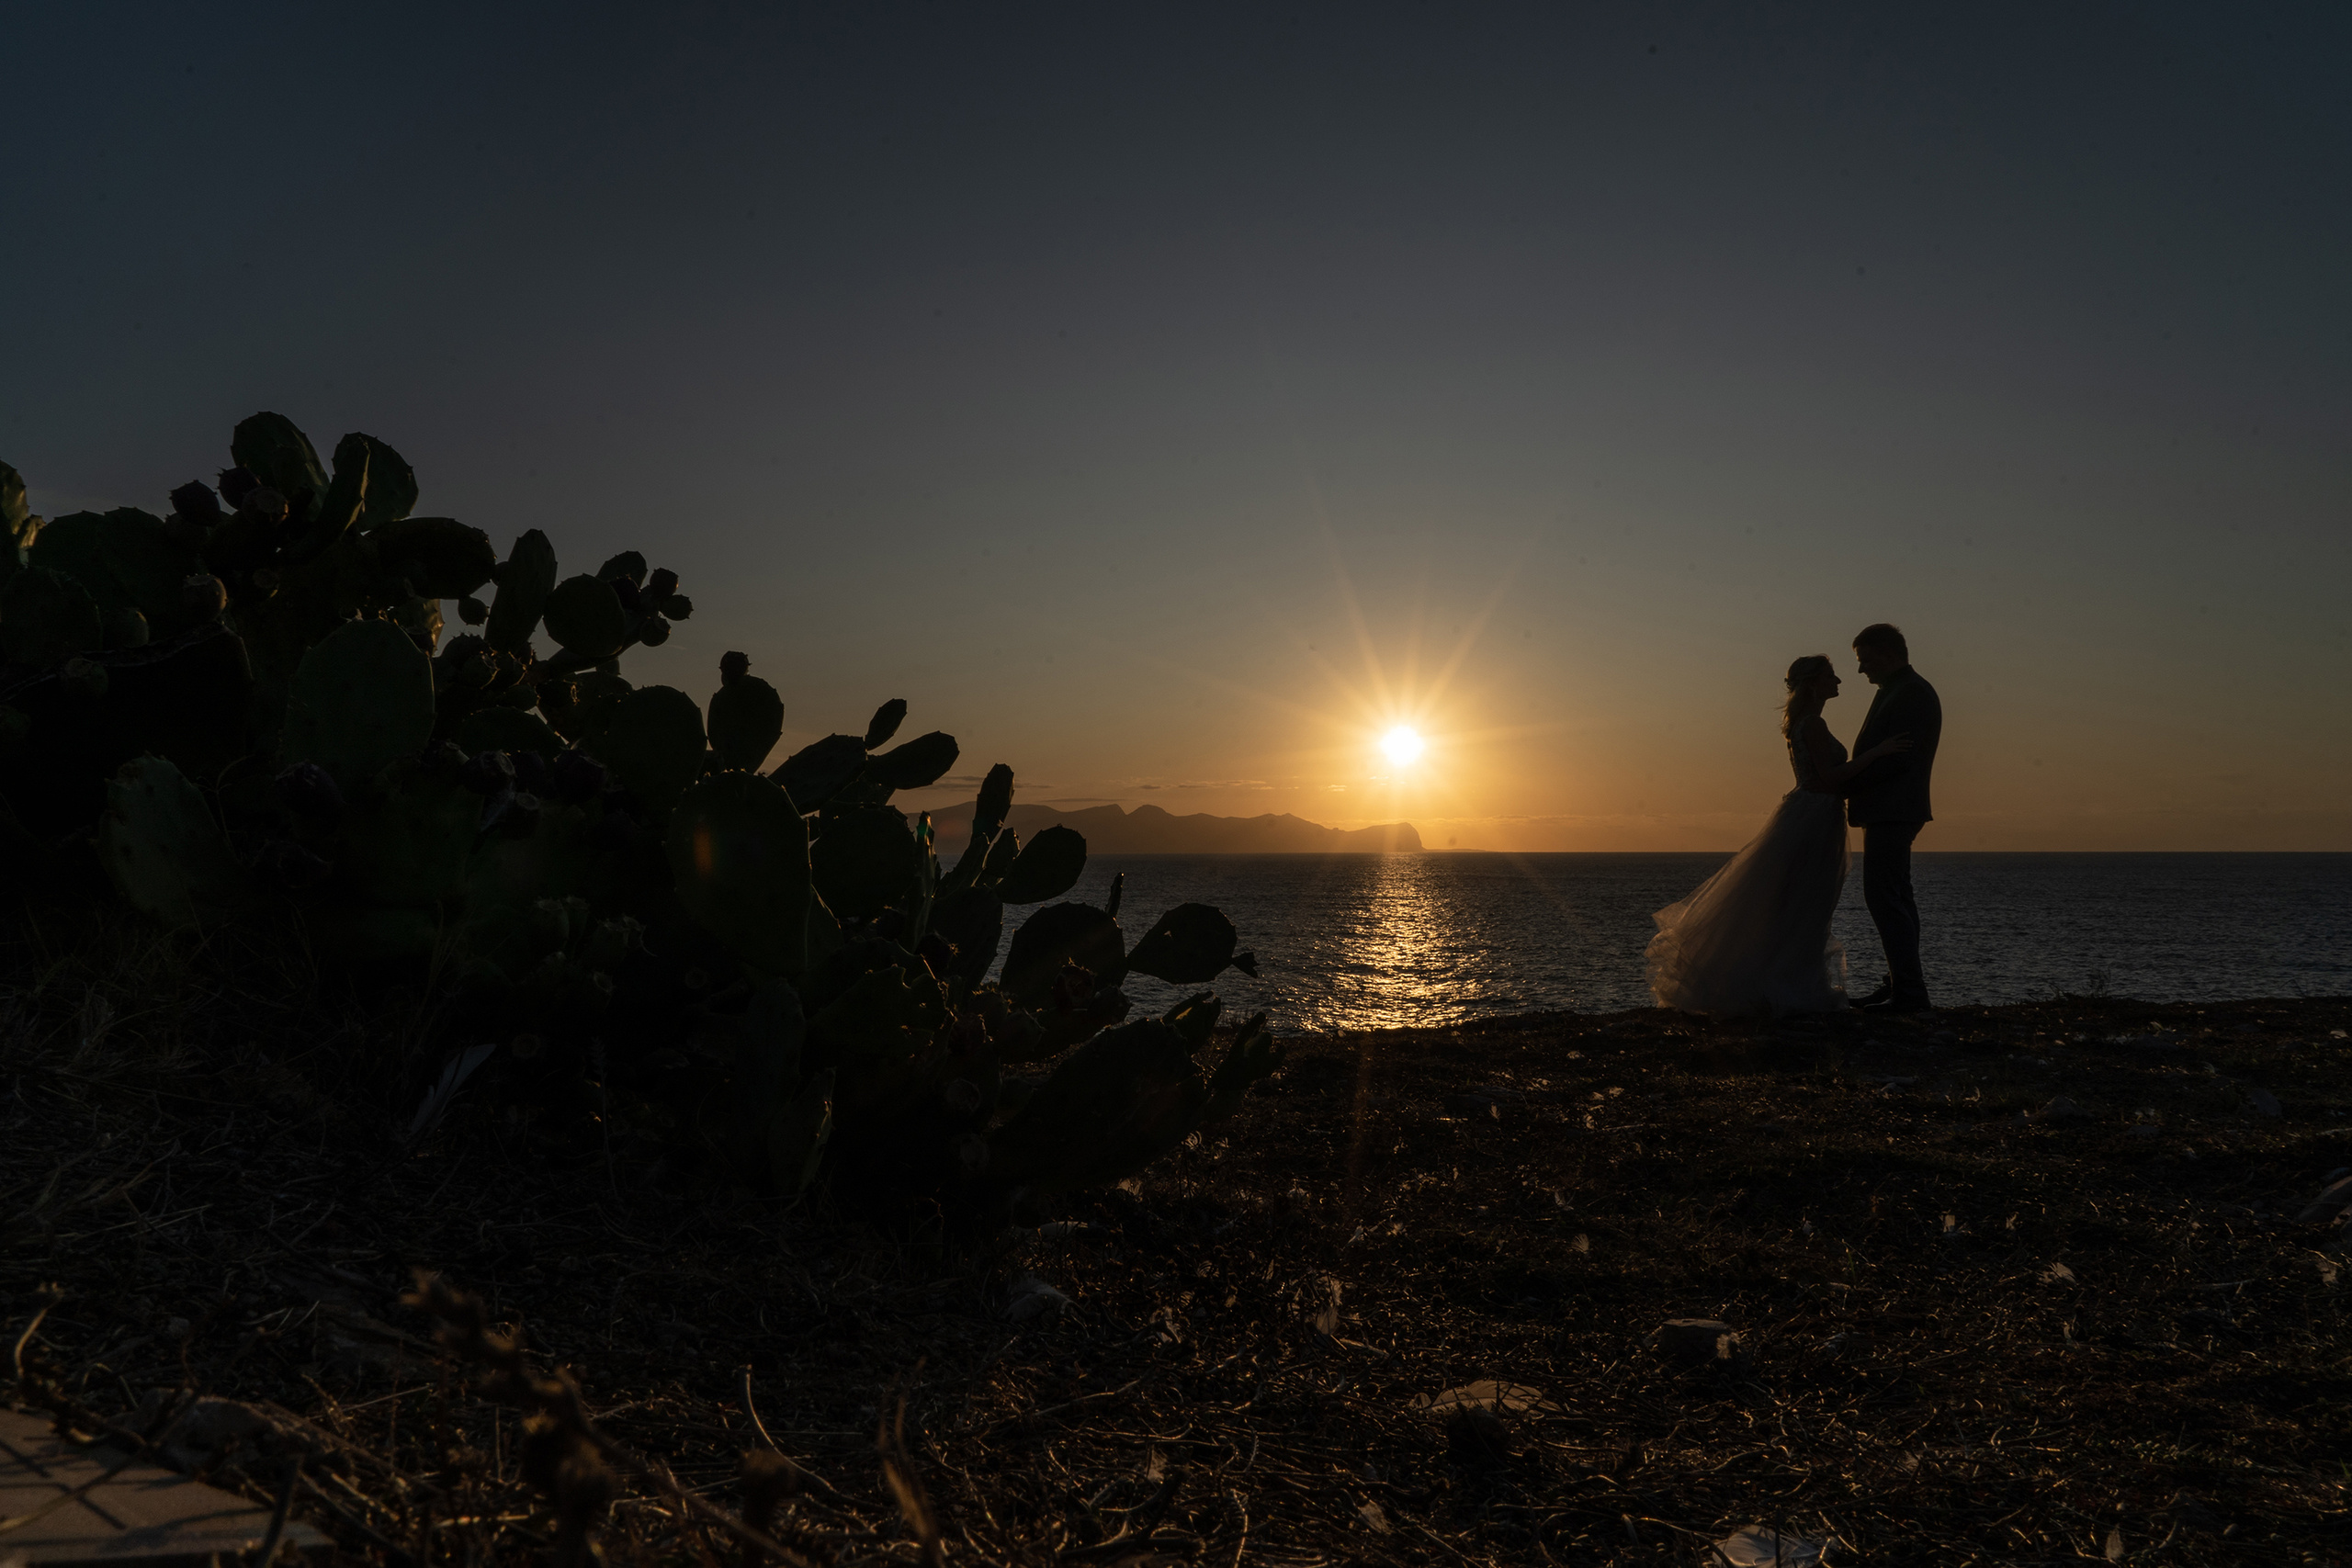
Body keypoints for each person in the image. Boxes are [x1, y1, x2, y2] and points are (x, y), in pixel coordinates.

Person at [1645, 654, 1913, 1017]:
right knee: (1805, 904)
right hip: (1815, 817)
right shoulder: (1813, 724)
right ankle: (1787, 988)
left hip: (1813, 814)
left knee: (1799, 904)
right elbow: (1830, 779)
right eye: (1831, 676)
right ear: (1813, 683)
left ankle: (1787, 982)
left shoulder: (1804, 723)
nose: (1838, 682)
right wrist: (1878, 753)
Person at [1842, 623, 1941, 1011]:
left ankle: (1910, 994)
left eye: (1865, 660)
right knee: (1897, 895)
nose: (1862, 669)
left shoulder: (1911, 692)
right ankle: (1901, 985)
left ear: (1887, 653)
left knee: (1884, 897)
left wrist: (1842, 786)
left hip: (1894, 808)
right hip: (1891, 808)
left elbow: (1900, 759)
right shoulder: (1897, 689)